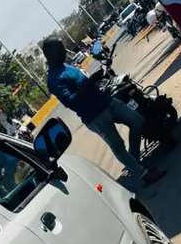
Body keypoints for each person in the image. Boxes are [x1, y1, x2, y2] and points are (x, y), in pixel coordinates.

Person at [42, 37, 164, 186]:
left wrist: (96, 80)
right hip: (95, 117)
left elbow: (83, 82)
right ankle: (142, 173)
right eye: (60, 48)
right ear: (51, 53)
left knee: (136, 120)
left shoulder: (66, 66)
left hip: (107, 101)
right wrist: (90, 82)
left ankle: (134, 160)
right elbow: (71, 102)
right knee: (117, 145)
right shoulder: (53, 79)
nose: (64, 50)